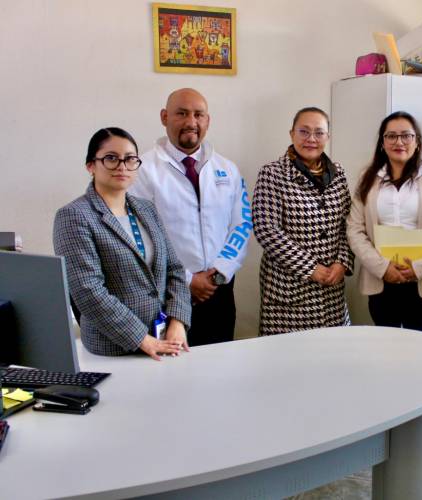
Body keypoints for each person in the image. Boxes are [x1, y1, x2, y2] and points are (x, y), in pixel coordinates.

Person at [53, 127, 191, 359]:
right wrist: (142, 339)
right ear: (91, 166)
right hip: (113, 349)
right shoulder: (74, 216)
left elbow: (174, 269)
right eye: (111, 158)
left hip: (164, 340)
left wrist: (177, 322)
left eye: (130, 159)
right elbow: (87, 290)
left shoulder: (146, 209)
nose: (122, 166)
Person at [130, 88, 249, 346]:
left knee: (221, 363)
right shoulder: (142, 170)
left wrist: (218, 273)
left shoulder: (227, 169)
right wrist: (187, 279)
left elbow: (241, 225)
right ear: (164, 117)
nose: (191, 122)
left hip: (218, 290)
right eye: (182, 113)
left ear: (208, 120)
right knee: (171, 364)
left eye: (198, 115)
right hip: (167, 292)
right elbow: (139, 236)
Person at [347, 111, 422, 333]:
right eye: (391, 136)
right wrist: (383, 268)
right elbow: (355, 229)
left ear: (417, 142)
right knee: (385, 345)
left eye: (406, 135)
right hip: (380, 280)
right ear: (382, 143)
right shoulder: (367, 179)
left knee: (420, 347)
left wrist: (419, 268)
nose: (398, 142)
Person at [251, 107, 353, 335]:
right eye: (304, 131)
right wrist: (310, 268)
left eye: (319, 132)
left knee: (332, 352)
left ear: (328, 136)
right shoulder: (272, 173)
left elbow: (350, 224)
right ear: (292, 134)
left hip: (332, 290)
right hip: (289, 292)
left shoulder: (338, 173)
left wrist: (342, 262)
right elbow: (266, 230)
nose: (311, 139)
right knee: (288, 354)